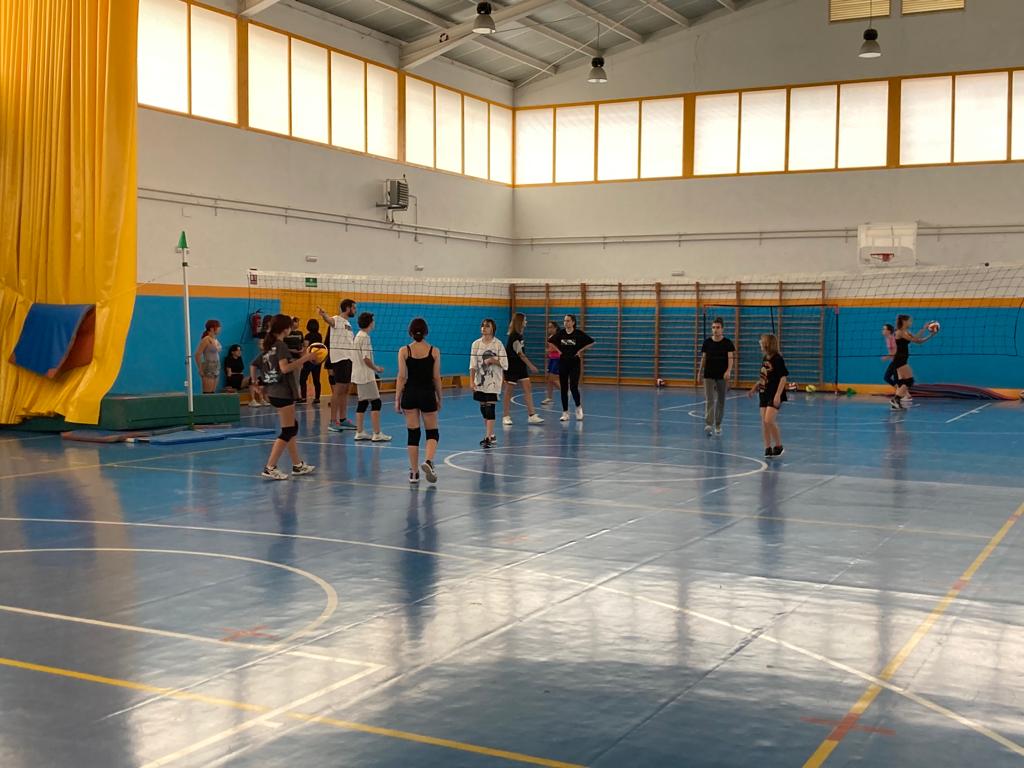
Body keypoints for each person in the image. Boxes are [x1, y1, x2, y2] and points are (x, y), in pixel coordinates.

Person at [258, 314, 316, 480]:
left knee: (292, 426)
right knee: (288, 430)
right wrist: (306, 358)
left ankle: (297, 465)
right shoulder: (280, 345)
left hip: (275, 391)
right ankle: (270, 467)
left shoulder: (269, 345)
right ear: (285, 328)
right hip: (282, 392)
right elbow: (284, 368)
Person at [395, 318, 442, 484]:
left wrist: (397, 399)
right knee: (432, 432)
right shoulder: (434, 351)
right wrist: (439, 397)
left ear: (410, 332)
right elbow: (436, 378)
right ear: (426, 331)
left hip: (410, 394)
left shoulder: (404, 351)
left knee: (413, 434)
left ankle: (414, 473)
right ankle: (428, 461)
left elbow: (401, 377)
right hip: (427, 394)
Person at [317, 299, 358, 431]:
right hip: (340, 359)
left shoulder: (348, 324)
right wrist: (324, 315)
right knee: (338, 389)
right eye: (353, 308)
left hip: (349, 359)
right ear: (347, 308)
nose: (355, 310)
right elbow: (329, 320)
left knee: (345, 390)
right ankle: (332, 421)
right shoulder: (337, 319)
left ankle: (343, 419)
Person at [352, 312, 391, 443]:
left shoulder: (358, 336)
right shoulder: (365, 338)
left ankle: (359, 432)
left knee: (362, 403)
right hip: (366, 375)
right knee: (376, 402)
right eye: (373, 321)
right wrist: (377, 368)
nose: (374, 322)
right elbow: (366, 358)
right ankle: (377, 433)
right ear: (370, 323)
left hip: (358, 375)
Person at [747, 333, 787, 458]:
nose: (760, 342)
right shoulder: (765, 359)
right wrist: (755, 387)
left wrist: (778, 395)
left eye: (762, 341)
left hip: (774, 394)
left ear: (767, 344)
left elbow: (783, 378)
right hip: (763, 392)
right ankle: (767, 447)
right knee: (764, 422)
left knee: (769, 420)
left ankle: (779, 446)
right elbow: (764, 376)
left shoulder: (777, 359)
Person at [548, 314, 594, 422]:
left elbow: (592, 342)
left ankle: (578, 408)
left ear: (573, 322)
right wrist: (559, 351)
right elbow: (550, 341)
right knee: (563, 389)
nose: (566, 323)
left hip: (574, 364)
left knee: (573, 387)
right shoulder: (561, 334)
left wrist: (580, 351)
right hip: (563, 363)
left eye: (568, 321)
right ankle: (565, 413)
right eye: (564, 321)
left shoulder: (578, 334)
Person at [470, 318, 508, 447]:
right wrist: (471, 381)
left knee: (490, 407)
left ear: (493, 329)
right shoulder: (476, 344)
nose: (484, 328)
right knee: (483, 408)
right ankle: (491, 434)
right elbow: (473, 364)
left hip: (494, 382)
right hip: (480, 381)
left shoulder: (498, 344)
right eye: (483, 326)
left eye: (487, 326)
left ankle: (488, 438)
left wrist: (493, 360)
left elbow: (505, 364)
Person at [502, 312, 544, 426]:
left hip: (520, 367)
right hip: (512, 367)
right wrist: (531, 365)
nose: (526, 322)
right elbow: (520, 353)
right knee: (509, 391)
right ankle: (505, 416)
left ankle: (532, 415)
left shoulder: (520, 335)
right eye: (525, 320)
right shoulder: (514, 336)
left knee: (528, 388)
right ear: (520, 322)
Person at [890, 315, 938, 410]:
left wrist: (931, 335)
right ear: (904, 321)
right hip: (899, 359)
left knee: (904, 381)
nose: (910, 323)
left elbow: (919, 341)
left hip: (903, 358)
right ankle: (896, 399)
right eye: (909, 321)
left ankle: (896, 402)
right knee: (909, 381)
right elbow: (915, 339)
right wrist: (924, 328)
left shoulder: (907, 332)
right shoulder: (899, 332)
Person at [698, 317, 735, 436]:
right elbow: (703, 358)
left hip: (722, 376)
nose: (715, 330)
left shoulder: (728, 343)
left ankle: (718, 424)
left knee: (721, 401)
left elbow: (731, 359)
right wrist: (699, 372)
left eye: (718, 327)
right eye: (713, 327)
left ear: (722, 329)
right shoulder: (707, 342)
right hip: (708, 374)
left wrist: (728, 371)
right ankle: (709, 424)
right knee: (709, 399)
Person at [194, 319, 222, 394]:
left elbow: (217, 349)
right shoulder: (206, 339)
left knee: (212, 392)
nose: (220, 328)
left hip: (216, 366)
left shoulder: (215, 339)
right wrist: (200, 369)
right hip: (209, 366)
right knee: (207, 393)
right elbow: (197, 354)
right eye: (218, 327)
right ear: (212, 328)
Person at [299, 318, 323, 405]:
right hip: (317, 360)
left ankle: (303, 398)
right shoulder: (319, 336)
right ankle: (317, 398)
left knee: (302, 379)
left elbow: (305, 348)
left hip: (308, 360)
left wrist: (301, 357)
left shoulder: (307, 336)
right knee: (316, 379)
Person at [541, 320, 560, 405]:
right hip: (551, 359)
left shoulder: (558, 337)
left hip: (557, 359)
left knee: (553, 378)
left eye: (551, 327)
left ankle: (565, 391)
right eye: (548, 327)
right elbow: (550, 350)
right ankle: (549, 398)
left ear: (555, 328)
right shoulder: (550, 337)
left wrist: (548, 350)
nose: (549, 329)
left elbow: (556, 349)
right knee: (549, 379)